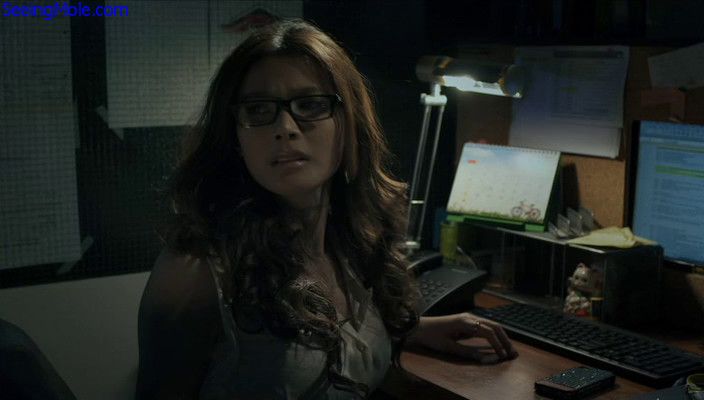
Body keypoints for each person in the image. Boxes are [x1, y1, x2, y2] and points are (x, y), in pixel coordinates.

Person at [136, 19, 517, 399]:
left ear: (348, 122)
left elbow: (327, 339)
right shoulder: (195, 273)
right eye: (258, 109)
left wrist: (415, 329)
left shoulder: (352, 239)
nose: (286, 127)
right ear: (235, 135)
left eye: (310, 105)